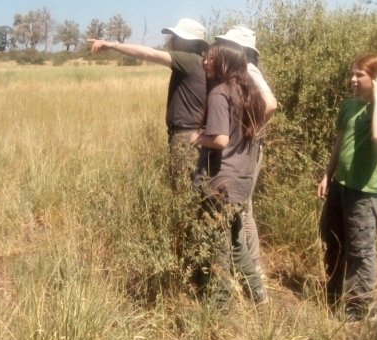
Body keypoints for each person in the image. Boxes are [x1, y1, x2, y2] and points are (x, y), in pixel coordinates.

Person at [317, 53, 377, 322]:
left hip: (364, 191)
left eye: (359, 75)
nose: (352, 80)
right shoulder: (348, 106)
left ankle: (360, 309)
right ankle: (333, 296)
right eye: (352, 74)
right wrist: (327, 175)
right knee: (333, 241)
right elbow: (339, 142)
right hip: (340, 185)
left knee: (361, 250)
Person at [88, 18, 208, 193]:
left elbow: (149, 53)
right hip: (194, 135)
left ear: (188, 42)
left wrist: (112, 45)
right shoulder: (200, 62)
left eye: (176, 37)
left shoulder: (188, 60)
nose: (171, 41)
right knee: (193, 192)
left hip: (186, 137)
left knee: (183, 193)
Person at [190, 41, 268, 305]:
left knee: (217, 243)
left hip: (220, 181)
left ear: (223, 61)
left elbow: (221, 140)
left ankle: (220, 304)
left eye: (210, 58)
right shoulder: (250, 92)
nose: (205, 62)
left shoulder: (220, 93)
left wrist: (199, 138)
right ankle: (258, 294)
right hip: (241, 180)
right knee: (235, 241)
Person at [214, 26, 278, 281]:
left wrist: (252, 128)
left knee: (244, 208)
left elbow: (271, 104)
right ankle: (249, 268)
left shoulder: (249, 70)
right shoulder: (243, 71)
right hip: (247, 144)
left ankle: (254, 269)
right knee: (242, 207)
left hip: (248, 147)